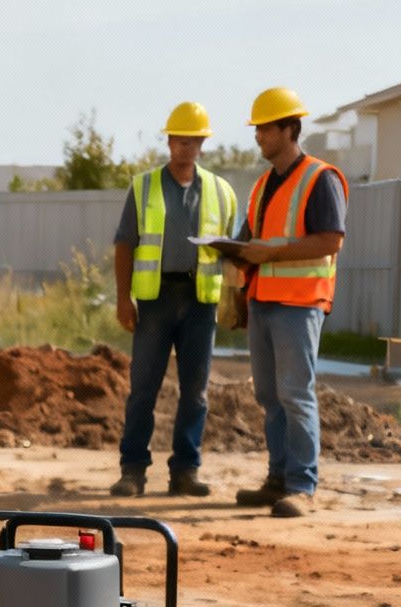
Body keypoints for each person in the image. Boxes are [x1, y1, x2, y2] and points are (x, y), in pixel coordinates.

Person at [109, 102, 240, 499]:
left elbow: (232, 251)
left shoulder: (221, 192)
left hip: (200, 301)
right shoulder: (144, 186)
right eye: (179, 139)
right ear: (169, 142)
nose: (185, 147)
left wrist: (234, 301)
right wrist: (122, 298)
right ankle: (133, 470)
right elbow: (125, 245)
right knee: (143, 388)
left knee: (196, 391)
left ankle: (185, 470)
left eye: (193, 140)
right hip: (156, 299)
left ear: (202, 144)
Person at [228, 87, 347, 519]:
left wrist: (270, 253)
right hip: (262, 300)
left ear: (289, 129)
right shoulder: (262, 185)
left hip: (299, 302)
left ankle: (302, 485)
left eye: (265, 128)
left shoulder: (321, 178)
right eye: (258, 128)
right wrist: (231, 260)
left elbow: (330, 239)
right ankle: (278, 478)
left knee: (295, 394)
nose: (258, 136)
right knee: (269, 396)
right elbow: (250, 241)